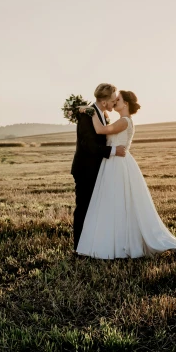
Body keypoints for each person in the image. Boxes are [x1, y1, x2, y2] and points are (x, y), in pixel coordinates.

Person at [76, 90, 176, 259]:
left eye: (118, 99)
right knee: (114, 203)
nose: (114, 102)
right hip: (112, 163)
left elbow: (100, 131)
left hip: (119, 165)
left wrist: (91, 112)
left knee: (120, 201)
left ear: (126, 104)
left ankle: (121, 243)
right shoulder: (120, 120)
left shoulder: (124, 121)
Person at [70, 83, 127, 251]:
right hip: (85, 170)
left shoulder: (102, 115)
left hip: (98, 170)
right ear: (104, 103)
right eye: (113, 100)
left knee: (96, 208)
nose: (115, 102)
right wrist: (114, 150)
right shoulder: (87, 116)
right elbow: (89, 146)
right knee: (84, 208)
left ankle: (93, 244)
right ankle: (79, 248)